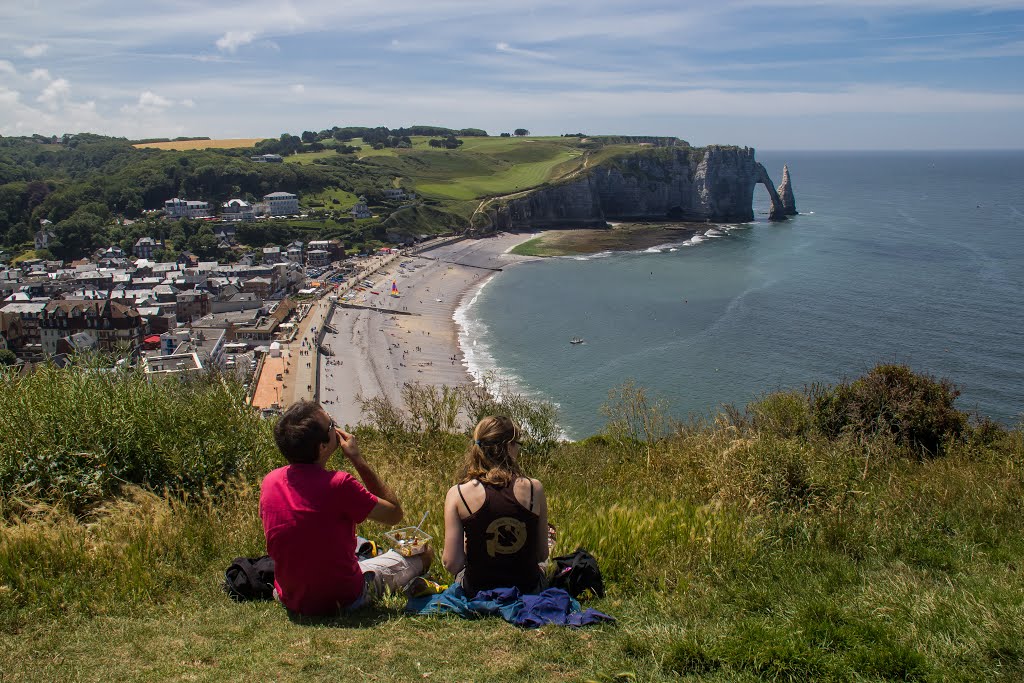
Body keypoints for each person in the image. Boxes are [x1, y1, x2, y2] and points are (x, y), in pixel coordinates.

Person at [260, 400, 432, 616]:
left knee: (353, 541)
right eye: (331, 425)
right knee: (424, 552)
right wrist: (357, 459)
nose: (336, 427)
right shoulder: (339, 484)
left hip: (291, 596)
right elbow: (394, 514)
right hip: (344, 597)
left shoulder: (270, 481)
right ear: (322, 446)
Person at [442, 416, 548, 598]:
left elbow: (452, 563)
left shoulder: (458, 493)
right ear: (508, 447)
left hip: (476, 590)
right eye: (518, 444)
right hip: (527, 588)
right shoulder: (533, 488)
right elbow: (541, 555)